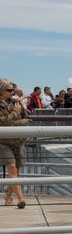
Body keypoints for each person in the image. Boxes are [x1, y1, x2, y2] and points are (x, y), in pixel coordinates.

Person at [0, 77, 29, 209]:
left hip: (18, 140)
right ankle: (21, 199)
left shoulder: (16, 102)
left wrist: (14, 123)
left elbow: (28, 119)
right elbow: (2, 122)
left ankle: (8, 196)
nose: (13, 92)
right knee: (12, 168)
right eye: (9, 89)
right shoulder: (16, 106)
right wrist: (15, 113)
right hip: (3, 141)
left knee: (17, 171)